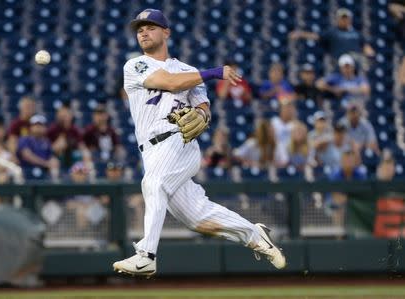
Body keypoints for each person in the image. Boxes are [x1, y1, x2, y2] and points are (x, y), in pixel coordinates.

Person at [113, 8, 285, 276]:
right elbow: (168, 82)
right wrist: (215, 72)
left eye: (150, 27)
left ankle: (146, 255)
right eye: (140, 29)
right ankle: (253, 233)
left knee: (153, 183)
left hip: (179, 142)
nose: (143, 32)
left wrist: (203, 114)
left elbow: (203, 106)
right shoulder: (134, 65)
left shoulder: (188, 70)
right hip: (152, 150)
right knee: (198, 218)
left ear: (166, 32)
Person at [289, 8, 375, 62]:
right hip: (338, 62)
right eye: (342, 18)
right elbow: (316, 36)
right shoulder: (332, 32)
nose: (344, 20)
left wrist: (370, 54)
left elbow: (365, 46)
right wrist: (300, 34)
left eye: (346, 18)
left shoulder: (356, 33)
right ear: (338, 19)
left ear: (350, 20)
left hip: (354, 62)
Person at [47, 103, 91, 170]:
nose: (64, 118)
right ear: (58, 116)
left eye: (66, 115)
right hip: (57, 156)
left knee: (86, 154)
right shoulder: (52, 129)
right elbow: (49, 149)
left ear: (71, 116)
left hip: (73, 154)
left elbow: (81, 145)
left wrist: (85, 152)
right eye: (62, 116)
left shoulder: (75, 129)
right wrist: (60, 142)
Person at [17, 115, 60, 180]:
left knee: (55, 164)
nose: (38, 127)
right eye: (36, 125)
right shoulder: (25, 139)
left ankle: (56, 185)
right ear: (31, 127)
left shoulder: (46, 141)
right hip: (26, 170)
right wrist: (46, 164)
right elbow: (27, 156)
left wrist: (53, 161)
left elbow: (50, 156)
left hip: (44, 171)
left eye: (41, 125)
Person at [270, 101, 297, 167]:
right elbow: (270, 138)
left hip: (290, 152)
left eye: (290, 109)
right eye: (285, 109)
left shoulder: (295, 124)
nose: (287, 111)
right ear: (281, 110)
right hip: (276, 151)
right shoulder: (274, 121)